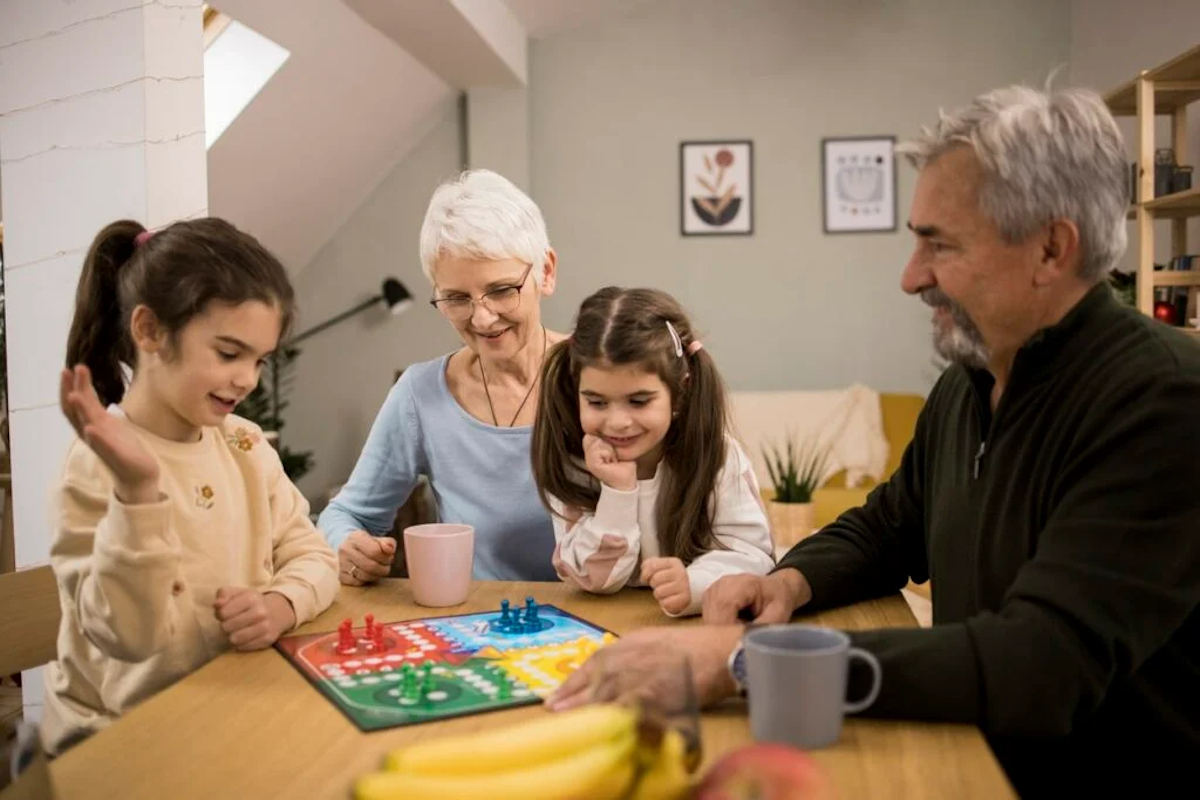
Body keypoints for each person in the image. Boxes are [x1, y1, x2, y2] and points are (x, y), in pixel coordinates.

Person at [550, 85, 1200, 794]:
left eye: (939, 244)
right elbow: (890, 527)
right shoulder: (969, 382)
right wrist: (786, 583)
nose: (910, 275)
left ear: (1050, 248)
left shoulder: (1164, 400)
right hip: (971, 756)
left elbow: (1041, 661)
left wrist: (745, 658)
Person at [43, 218, 339, 756]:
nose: (248, 378)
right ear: (150, 331)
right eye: (229, 354)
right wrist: (137, 493)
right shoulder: (94, 465)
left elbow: (314, 555)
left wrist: (280, 603)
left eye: (259, 359)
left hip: (233, 707)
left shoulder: (244, 445)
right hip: (119, 744)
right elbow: (127, 637)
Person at [318, 170, 567, 583]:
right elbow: (347, 515)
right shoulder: (420, 395)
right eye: (456, 298)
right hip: (483, 628)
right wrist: (347, 544)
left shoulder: (605, 378)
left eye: (502, 289)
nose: (482, 317)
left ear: (546, 271)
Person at [531, 287, 774, 616]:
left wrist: (695, 584)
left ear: (680, 392)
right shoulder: (574, 463)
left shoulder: (718, 456)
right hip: (599, 626)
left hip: (695, 630)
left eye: (639, 401)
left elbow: (754, 556)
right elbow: (590, 578)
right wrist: (618, 492)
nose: (617, 422)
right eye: (596, 402)